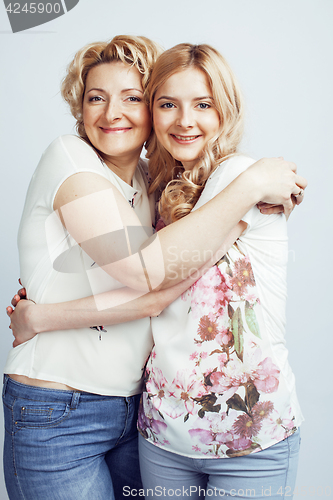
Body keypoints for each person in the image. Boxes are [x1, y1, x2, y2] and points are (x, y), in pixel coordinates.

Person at [4, 35, 306, 500]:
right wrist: (253, 184)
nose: (111, 114)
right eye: (95, 98)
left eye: (131, 98)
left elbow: (165, 293)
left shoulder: (159, 184)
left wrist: (41, 315)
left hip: (144, 414)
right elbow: (151, 275)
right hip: (63, 409)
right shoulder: (72, 158)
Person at [135, 44, 304, 499]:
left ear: (225, 111)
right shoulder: (157, 186)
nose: (184, 120)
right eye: (167, 104)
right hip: (163, 434)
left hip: (250, 439)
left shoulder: (239, 175)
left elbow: (158, 268)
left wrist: (251, 183)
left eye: (203, 105)